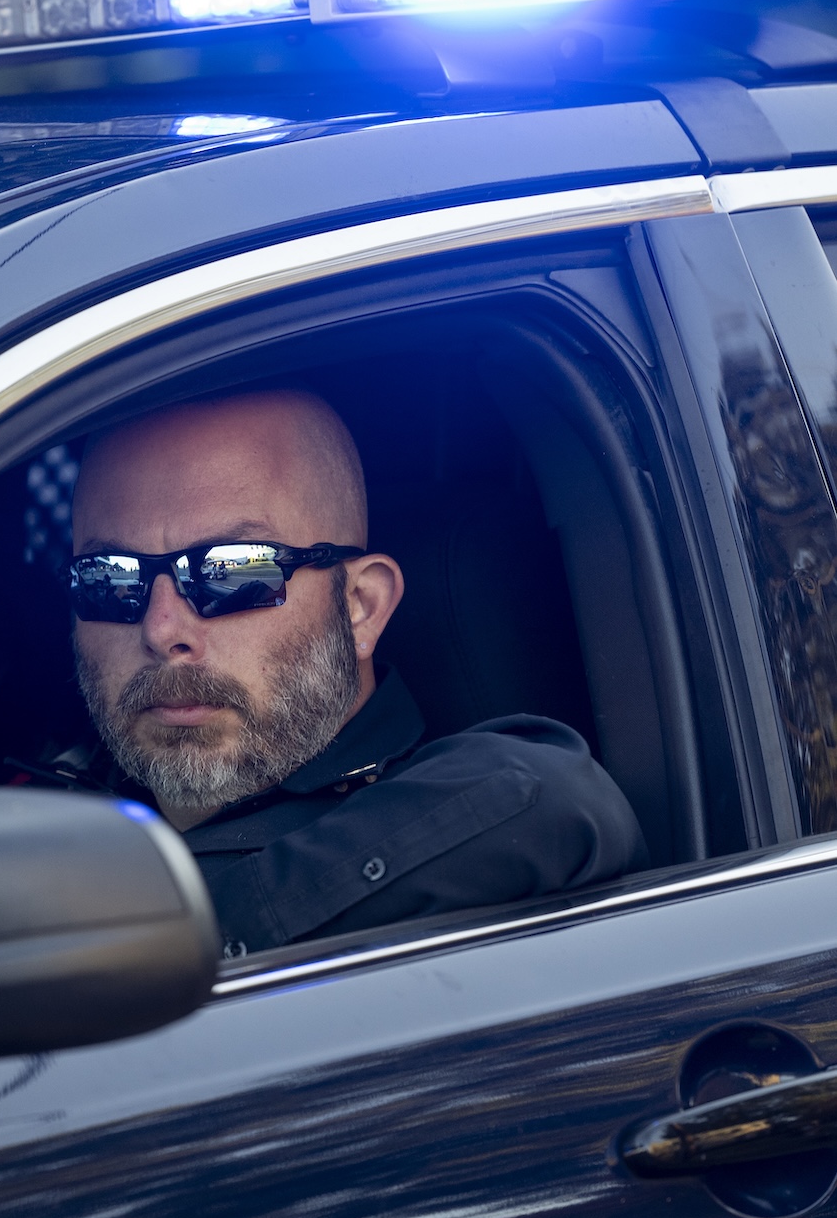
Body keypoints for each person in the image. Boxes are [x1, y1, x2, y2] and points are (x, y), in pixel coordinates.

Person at [48, 388, 648, 956]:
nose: (160, 630)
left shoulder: (473, 831)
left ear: (360, 607)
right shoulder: (47, 791)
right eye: (111, 578)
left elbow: (548, 795)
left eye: (230, 572)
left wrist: (144, 952)